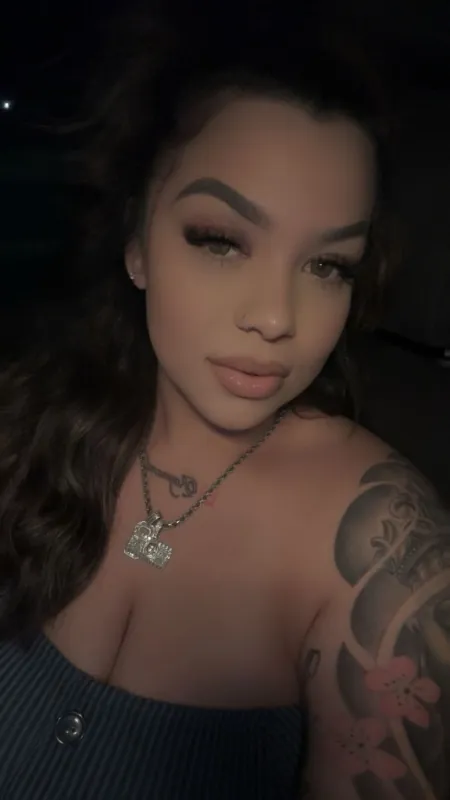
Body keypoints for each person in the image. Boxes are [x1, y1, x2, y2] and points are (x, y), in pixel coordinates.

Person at [0, 11, 448, 800]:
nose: (275, 317)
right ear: (137, 243)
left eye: (328, 265)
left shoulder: (384, 547)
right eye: (220, 239)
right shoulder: (27, 416)